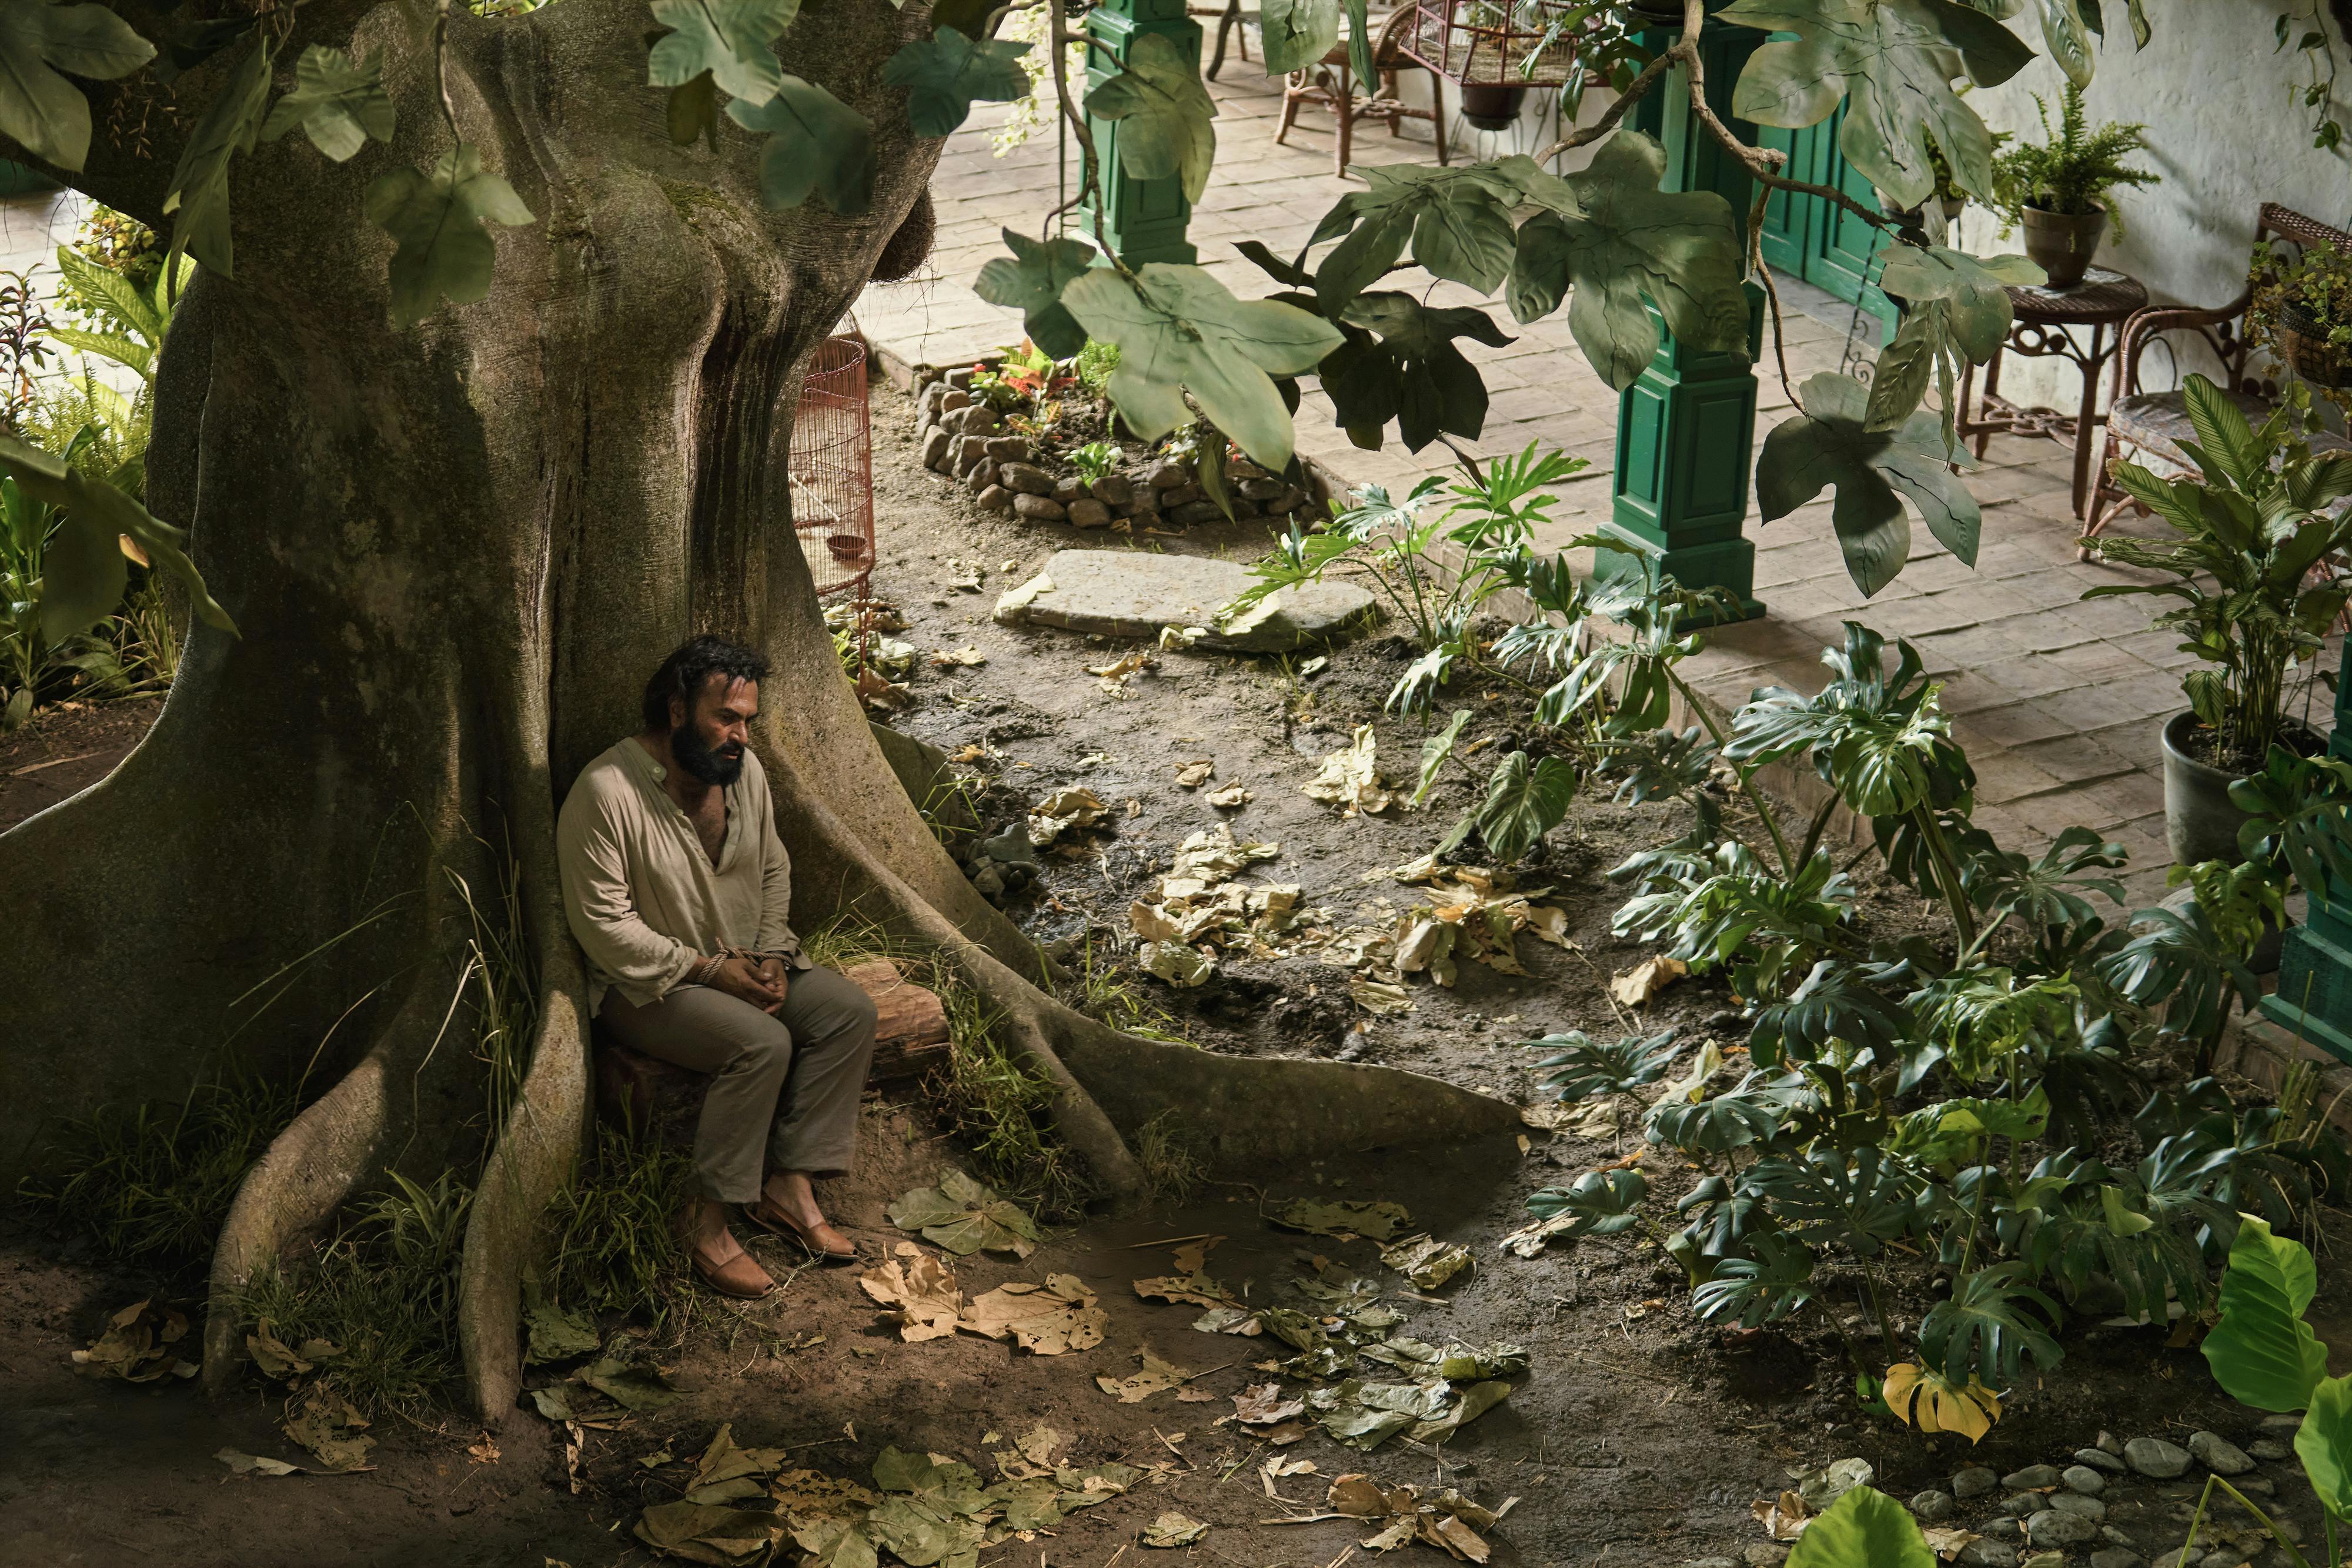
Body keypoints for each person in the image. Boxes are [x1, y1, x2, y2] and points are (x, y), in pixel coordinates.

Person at [556, 634, 877, 1298]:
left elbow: (773, 868)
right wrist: (705, 970)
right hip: (647, 985)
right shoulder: (605, 791)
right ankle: (704, 1222)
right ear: (677, 712)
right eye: (725, 719)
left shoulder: (746, 776)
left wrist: (768, 954)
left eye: (747, 722)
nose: (741, 737)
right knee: (762, 1044)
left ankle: (789, 1185)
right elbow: (604, 928)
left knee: (848, 1013)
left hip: (743, 965)